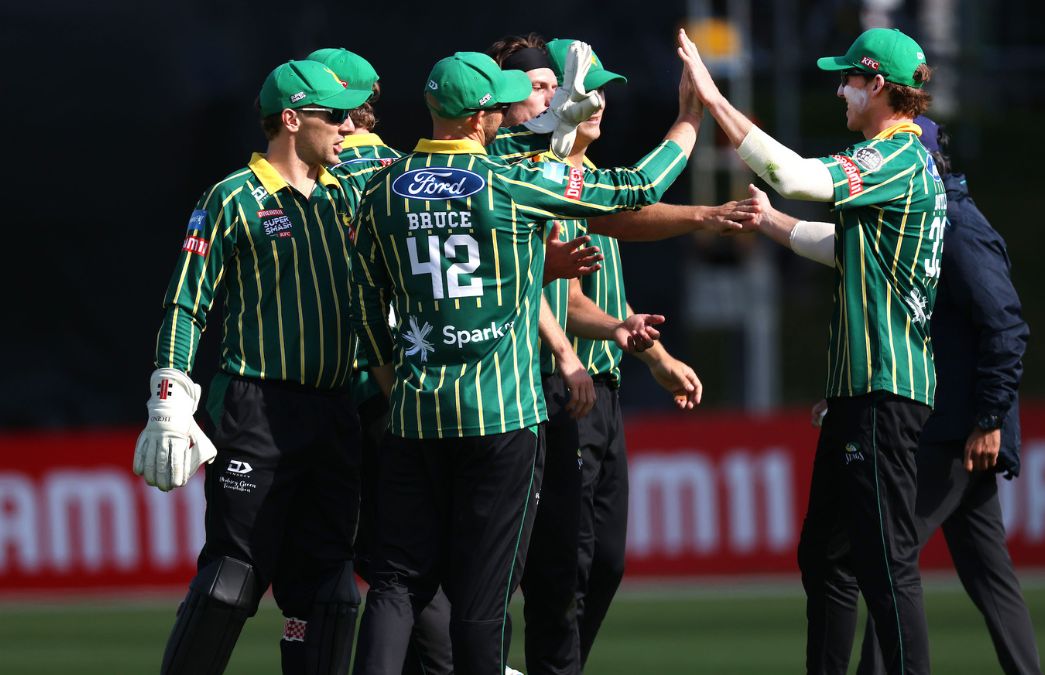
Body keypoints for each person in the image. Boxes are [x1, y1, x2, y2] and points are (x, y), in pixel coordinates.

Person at [349, 47, 702, 675]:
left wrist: (394, 384)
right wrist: (690, 121)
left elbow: (366, 305)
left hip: (416, 418)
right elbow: (637, 189)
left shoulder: (383, 190)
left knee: (396, 583)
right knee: (481, 601)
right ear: (479, 117)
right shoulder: (512, 182)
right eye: (501, 106)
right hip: (501, 418)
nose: (508, 115)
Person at [678, 27, 945, 674]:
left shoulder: (896, 157)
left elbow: (796, 176)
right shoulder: (899, 164)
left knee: (885, 566)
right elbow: (844, 247)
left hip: (884, 388)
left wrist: (714, 100)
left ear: (877, 85)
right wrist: (768, 220)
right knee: (826, 557)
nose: (840, 91)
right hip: (860, 391)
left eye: (848, 79)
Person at [132, 59, 371, 674]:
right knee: (230, 582)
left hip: (334, 410)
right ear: (291, 119)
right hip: (256, 410)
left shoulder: (347, 193)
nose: (348, 127)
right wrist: (168, 397)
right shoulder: (232, 196)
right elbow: (187, 301)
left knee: (329, 593)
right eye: (334, 115)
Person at [851, 117, 1039, 675]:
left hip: (956, 431)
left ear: (924, 166)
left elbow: (1006, 326)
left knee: (890, 563)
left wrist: (989, 418)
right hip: (953, 425)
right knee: (991, 579)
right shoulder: (933, 223)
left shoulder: (956, 227)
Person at [307, 46, 456, 675]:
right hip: (407, 386)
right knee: (416, 557)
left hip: (335, 388)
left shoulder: (313, 174)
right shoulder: (407, 171)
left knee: (372, 564)